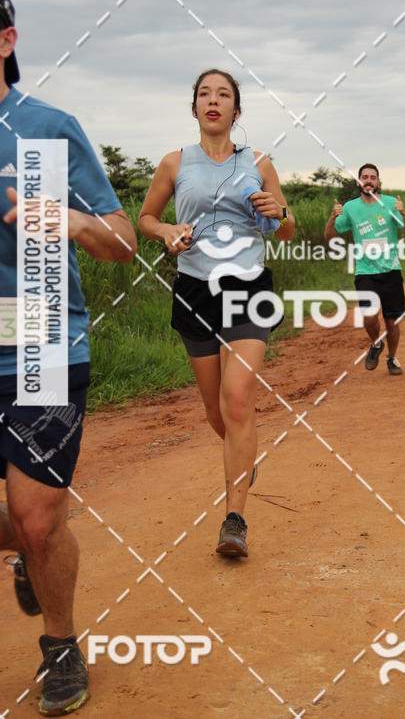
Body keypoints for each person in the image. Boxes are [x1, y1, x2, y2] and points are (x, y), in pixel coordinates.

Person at [0, 0, 137, 715]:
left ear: (6, 40)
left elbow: (123, 240)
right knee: (25, 523)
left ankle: (59, 643)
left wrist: (74, 221)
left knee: (38, 517)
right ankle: (28, 542)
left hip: (40, 342)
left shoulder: (48, 130)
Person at [138, 69, 294, 559]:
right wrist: (165, 231)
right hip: (194, 289)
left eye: (223, 94)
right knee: (216, 412)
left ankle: (235, 519)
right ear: (194, 109)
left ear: (236, 110)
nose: (213, 101)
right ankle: (242, 453)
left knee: (238, 400)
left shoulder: (260, 162)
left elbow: (284, 230)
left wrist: (279, 212)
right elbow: (146, 218)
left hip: (247, 287)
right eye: (204, 94)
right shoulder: (173, 163)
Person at [324, 163, 405, 375]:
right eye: (365, 177)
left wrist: (404, 214)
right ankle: (376, 343)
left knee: (392, 322)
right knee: (370, 316)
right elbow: (329, 237)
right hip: (365, 272)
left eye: (373, 177)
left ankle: (392, 358)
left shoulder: (392, 204)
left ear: (378, 182)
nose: (368, 181)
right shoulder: (350, 208)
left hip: (391, 270)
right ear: (359, 182)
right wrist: (332, 217)